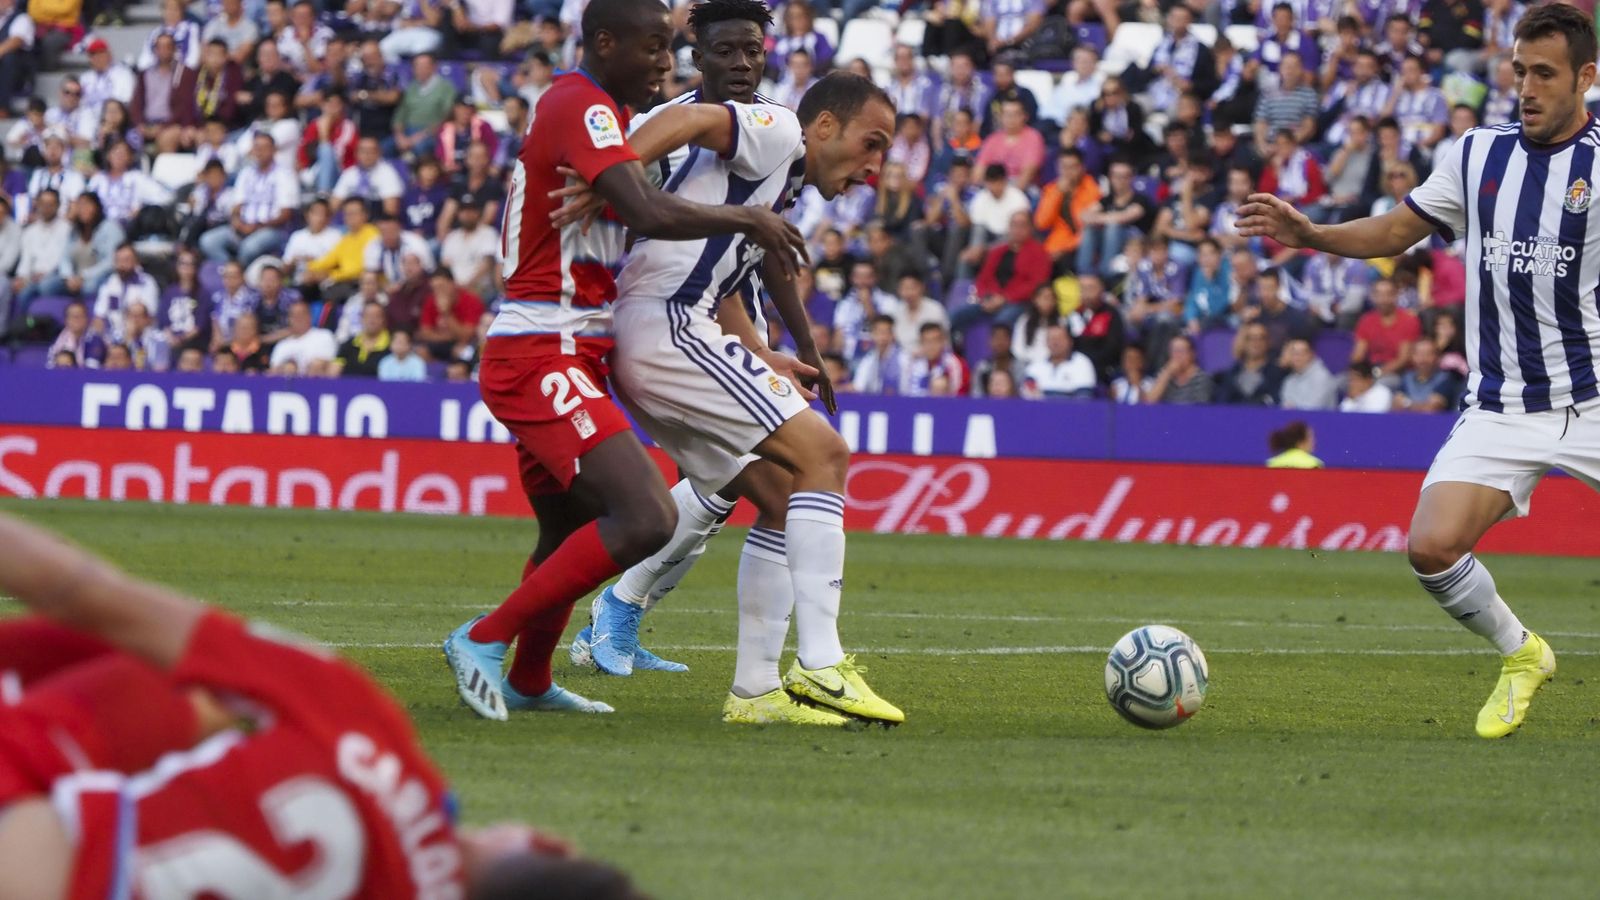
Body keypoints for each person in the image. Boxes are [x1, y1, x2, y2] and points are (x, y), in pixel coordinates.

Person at [439, 0, 809, 722]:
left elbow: (646, 213)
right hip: (542, 347)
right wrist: (747, 216)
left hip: (572, 346)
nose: (663, 66)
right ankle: (482, 638)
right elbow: (644, 212)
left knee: (567, 531)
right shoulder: (583, 105)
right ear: (604, 42)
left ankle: (530, 679)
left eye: (668, 53)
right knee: (643, 515)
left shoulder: (599, 116)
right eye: (651, 50)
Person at [1239, 5, 1600, 739]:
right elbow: (1398, 230)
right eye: (1518, 71)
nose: (1526, 87)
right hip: (1503, 405)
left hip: (1596, 399)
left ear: (1585, 79)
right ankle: (1522, 653)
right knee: (1431, 548)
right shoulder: (1477, 154)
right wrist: (1311, 235)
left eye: (1544, 74)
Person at [0, 512, 650, 899]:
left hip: (29, 836)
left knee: (181, 689)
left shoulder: (361, 723)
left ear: (547, 842)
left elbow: (80, 591)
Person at [561, 61, 905, 724]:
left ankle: (754, 693)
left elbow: (718, 287)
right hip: (664, 327)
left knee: (780, 494)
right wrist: (609, 170)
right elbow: (690, 117)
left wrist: (764, 352)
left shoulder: (782, 182)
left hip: (670, 326)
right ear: (825, 125)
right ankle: (823, 665)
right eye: (872, 143)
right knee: (824, 456)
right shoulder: (778, 131)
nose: (874, 166)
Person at [198, 132, 299, 264]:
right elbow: (237, 206)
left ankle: (239, 275)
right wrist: (236, 221)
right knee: (208, 241)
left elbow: (286, 214)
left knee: (248, 248)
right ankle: (232, 272)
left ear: (273, 150)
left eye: (264, 148)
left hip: (272, 230)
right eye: (257, 148)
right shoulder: (246, 173)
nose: (260, 152)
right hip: (243, 227)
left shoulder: (285, 175)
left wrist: (256, 227)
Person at [1023, 323, 1095, 399]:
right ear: (1046, 342)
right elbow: (1028, 396)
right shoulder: (1035, 366)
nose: (1055, 343)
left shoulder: (1082, 363)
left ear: (1070, 341)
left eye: (1059, 339)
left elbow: (1084, 397)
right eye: (1051, 339)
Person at [268, 299, 338, 375]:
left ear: (310, 316)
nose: (297, 319)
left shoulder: (324, 336)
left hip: (316, 383)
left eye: (301, 315)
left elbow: (325, 364)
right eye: (293, 316)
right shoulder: (282, 345)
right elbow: (273, 371)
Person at [1279, 337, 1339, 410]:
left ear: (1311, 354)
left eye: (1302, 353)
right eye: (1294, 353)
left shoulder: (1322, 377)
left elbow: (1314, 408)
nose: (1297, 358)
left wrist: (1293, 407)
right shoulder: (1289, 380)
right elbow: (1285, 406)